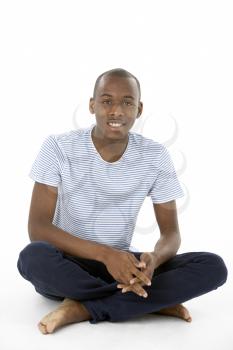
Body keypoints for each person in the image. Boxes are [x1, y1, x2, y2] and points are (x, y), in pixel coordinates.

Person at [17, 68, 228, 335]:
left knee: (213, 266)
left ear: (138, 109)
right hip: (69, 264)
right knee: (32, 257)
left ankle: (82, 308)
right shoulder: (59, 148)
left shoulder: (155, 155)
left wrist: (155, 258)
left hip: (125, 267)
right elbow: (38, 228)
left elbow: (171, 234)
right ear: (92, 105)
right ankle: (149, 304)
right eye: (106, 101)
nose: (116, 111)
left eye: (127, 102)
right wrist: (106, 255)